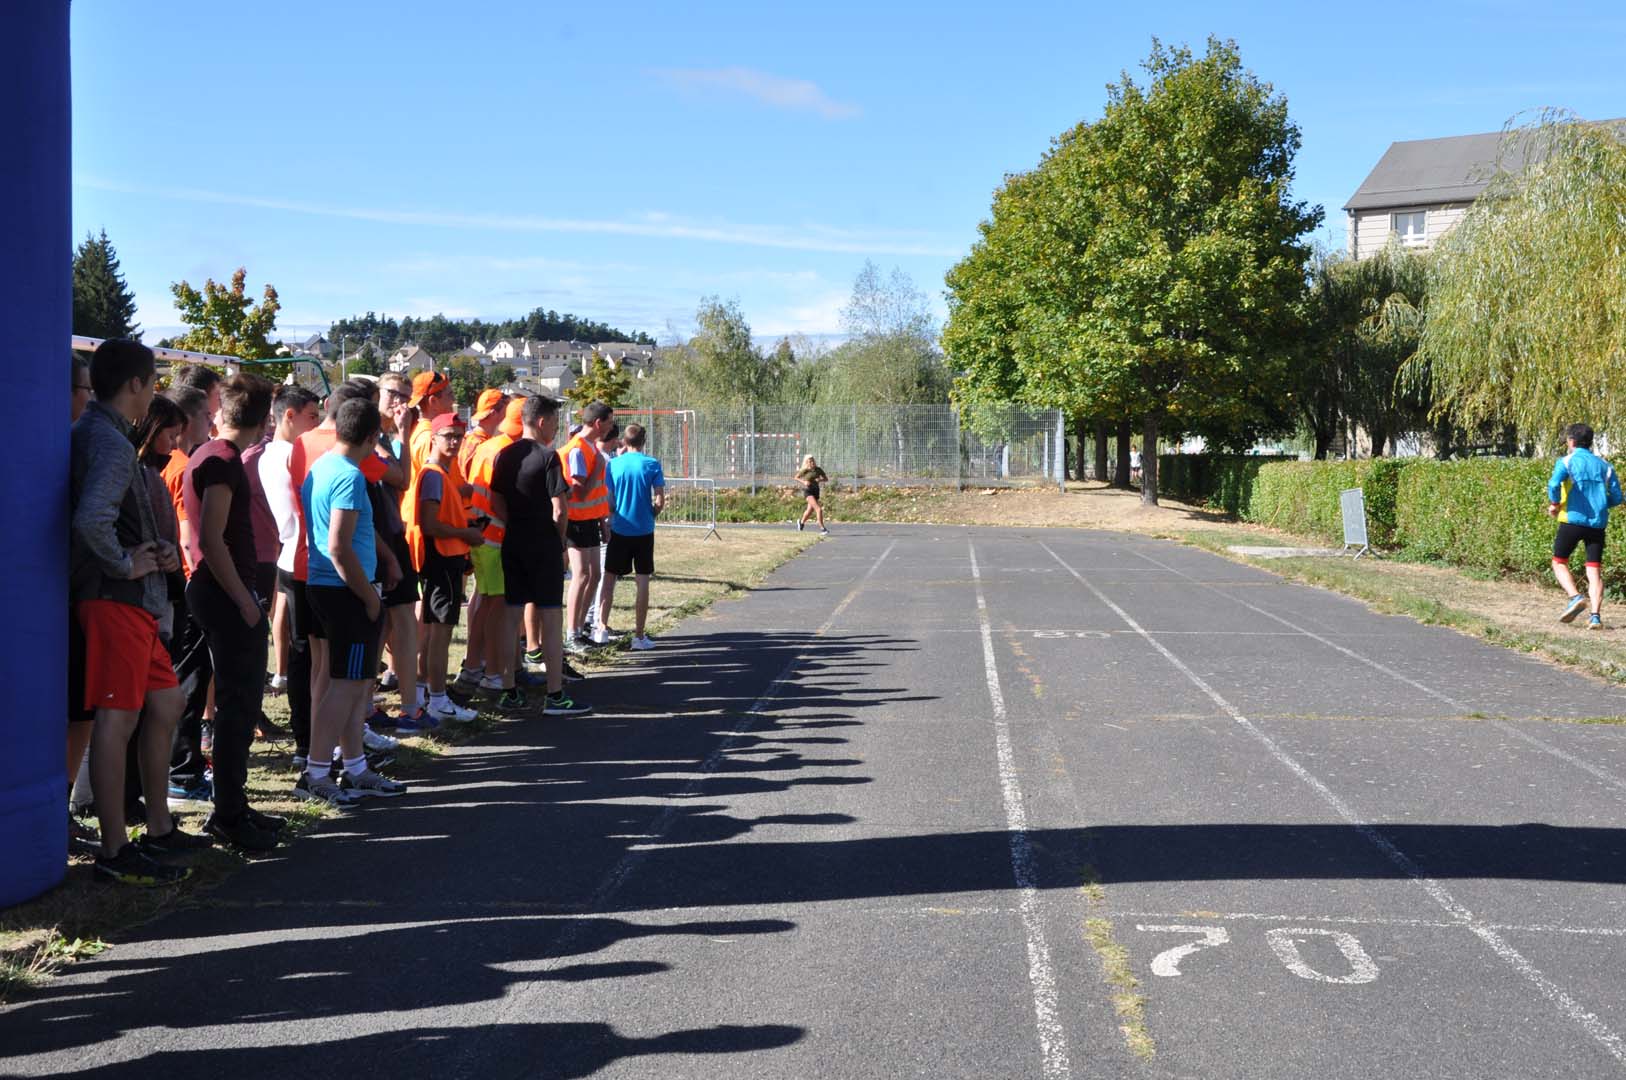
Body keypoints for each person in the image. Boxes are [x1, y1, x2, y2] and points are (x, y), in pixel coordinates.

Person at [71, 339, 206, 884]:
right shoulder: (105, 441)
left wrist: (154, 555)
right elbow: (90, 520)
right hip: (115, 602)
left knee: (167, 700)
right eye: (152, 382)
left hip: (134, 602)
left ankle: (158, 826)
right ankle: (113, 851)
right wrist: (126, 564)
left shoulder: (105, 437)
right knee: (117, 718)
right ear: (135, 385)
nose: (154, 393)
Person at [182, 373, 283, 852]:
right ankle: (227, 814)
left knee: (239, 708)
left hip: (220, 593)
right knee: (237, 707)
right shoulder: (221, 460)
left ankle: (234, 805)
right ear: (266, 422)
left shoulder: (215, 455)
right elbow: (210, 539)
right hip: (224, 596)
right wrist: (246, 601)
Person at [298, 397, 407, 804]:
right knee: (345, 687)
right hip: (344, 592)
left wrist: (385, 560)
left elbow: (350, 534)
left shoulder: (322, 466)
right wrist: (370, 598)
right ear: (372, 436)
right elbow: (339, 546)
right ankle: (317, 772)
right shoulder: (349, 475)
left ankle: (355, 767)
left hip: (325, 587)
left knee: (354, 683)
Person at [490, 396, 591, 715]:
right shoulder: (548, 456)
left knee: (510, 615)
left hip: (513, 540)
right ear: (542, 421)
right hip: (543, 543)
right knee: (550, 615)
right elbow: (560, 508)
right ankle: (555, 694)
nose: (558, 429)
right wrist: (559, 542)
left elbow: (495, 501)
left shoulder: (503, 454)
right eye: (556, 422)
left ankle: (508, 688)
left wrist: (512, 524)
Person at [405, 412, 483, 724]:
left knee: (435, 629)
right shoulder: (435, 475)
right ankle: (438, 698)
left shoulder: (441, 474)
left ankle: (428, 692)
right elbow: (431, 523)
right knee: (440, 632)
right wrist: (466, 533)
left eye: (457, 436)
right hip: (442, 559)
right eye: (447, 436)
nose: (453, 442)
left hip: (443, 559)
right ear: (433, 439)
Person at [159, 386, 215, 803]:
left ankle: (174, 767)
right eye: (207, 418)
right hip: (184, 585)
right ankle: (182, 770)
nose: (212, 425)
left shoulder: (161, 462)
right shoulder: (183, 466)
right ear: (188, 421)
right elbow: (186, 536)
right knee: (188, 679)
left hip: (166, 586)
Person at [257, 385, 320, 705]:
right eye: (312, 416)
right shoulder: (292, 455)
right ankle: (310, 732)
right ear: (290, 416)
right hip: (302, 555)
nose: (317, 424)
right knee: (308, 650)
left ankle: (308, 732)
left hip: (290, 553)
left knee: (303, 647)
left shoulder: (268, 454)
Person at [457, 388, 511, 693]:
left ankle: (474, 662)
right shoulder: (482, 445)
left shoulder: (473, 442)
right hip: (483, 529)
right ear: (494, 413)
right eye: (505, 410)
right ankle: (479, 665)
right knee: (490, 600)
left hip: (476, 528)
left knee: (482, 597)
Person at [1547, 422, 1624, 630]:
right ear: (1590, 442)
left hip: (1572, 520)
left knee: (1559, 561)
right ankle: (1595, 617)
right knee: (1594, 570)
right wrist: (1600, 505)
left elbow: (1554, 484)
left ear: (1571, 441)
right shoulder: (1606, 466)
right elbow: (1617, 497)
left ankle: (1574, 597)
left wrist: (1554, 504)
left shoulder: (1567, 461)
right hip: (1597, 524)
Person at [599, 423, 665, 649]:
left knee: (609, 580)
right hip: (644, 530)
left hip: (620, 528)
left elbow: (609, 500)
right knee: (642, 581)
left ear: (624, 442)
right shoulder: (652, 464)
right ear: (643, 441)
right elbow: (659, 500)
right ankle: (638, 635)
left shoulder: (614, 465)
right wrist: (652, 512)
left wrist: (612, 515)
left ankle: (601, 628)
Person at [559, 402, 615, 650]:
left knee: (594, 574)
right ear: (598, 423)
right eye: (610, 422)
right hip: (577, 522)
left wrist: (602, 520)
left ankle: (579, 630)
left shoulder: (590, 447)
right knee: (581, 575)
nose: (612, 427)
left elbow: (596, 494)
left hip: (591, 520)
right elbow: (579, 492)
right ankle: (571, 634)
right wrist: (599, 469)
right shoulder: (578, 450)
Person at [795, 455, 830, 534]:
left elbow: (826, 479)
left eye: (813, 461)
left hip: (816, 491)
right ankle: (822, 528)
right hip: (808, 491)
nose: (812, 462)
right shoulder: (805, 470)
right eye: (810, 461)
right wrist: (804, 482)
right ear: (807, 463)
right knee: (818, 509)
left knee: (809, 511)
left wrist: (820, 480)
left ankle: (801, 523)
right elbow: (796, 477)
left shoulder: (818, 469)